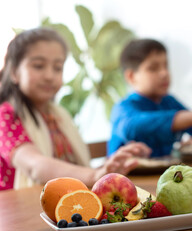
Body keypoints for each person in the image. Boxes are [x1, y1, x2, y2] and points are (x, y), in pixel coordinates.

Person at [0, 28, 151, 191]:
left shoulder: (57, 116)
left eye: (57, 68)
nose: (49, 75)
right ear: (14, 72)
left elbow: (71, 166)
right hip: (16, 209)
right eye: (38, 66)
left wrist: (110, 167)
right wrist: (94, 176)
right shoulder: (6, 115)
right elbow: (35, 166)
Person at [108, 39, 192, 157]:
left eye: (166, 66)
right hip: (128, 177)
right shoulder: (123, 107)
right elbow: (132, 127)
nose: (164, 73)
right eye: (153, 68)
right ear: (131, 77)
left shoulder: (169, 102)